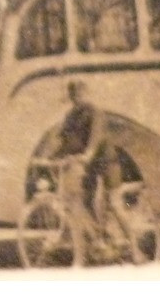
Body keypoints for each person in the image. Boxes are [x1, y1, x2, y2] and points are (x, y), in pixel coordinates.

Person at [49, 80, 123, 236]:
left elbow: (95, 137)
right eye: (73, 96)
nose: (76, 98)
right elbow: (65, 141)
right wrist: (52, 157)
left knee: (115, 204)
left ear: (86, 94)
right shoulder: (71, 116)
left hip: (107, 162)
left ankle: (136, 249)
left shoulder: (96, 113)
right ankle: (100, 241)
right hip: (89, 165)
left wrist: (88, 153)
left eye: (79, 94)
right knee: (85, 201)